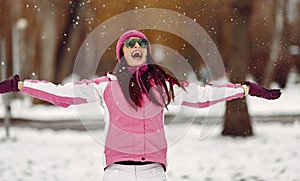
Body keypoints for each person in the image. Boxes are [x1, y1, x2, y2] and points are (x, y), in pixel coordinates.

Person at [0, 30, 281, 181]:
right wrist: (20, 85)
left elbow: (204, 95)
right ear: (122, 52)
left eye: (142, 44)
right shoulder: (106, 86)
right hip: (117, 172)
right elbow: (62, 95)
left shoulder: (162, 86)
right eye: (130, 43)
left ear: (145, 52)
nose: (137, 46)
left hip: (154, 172)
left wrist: (244, 89)